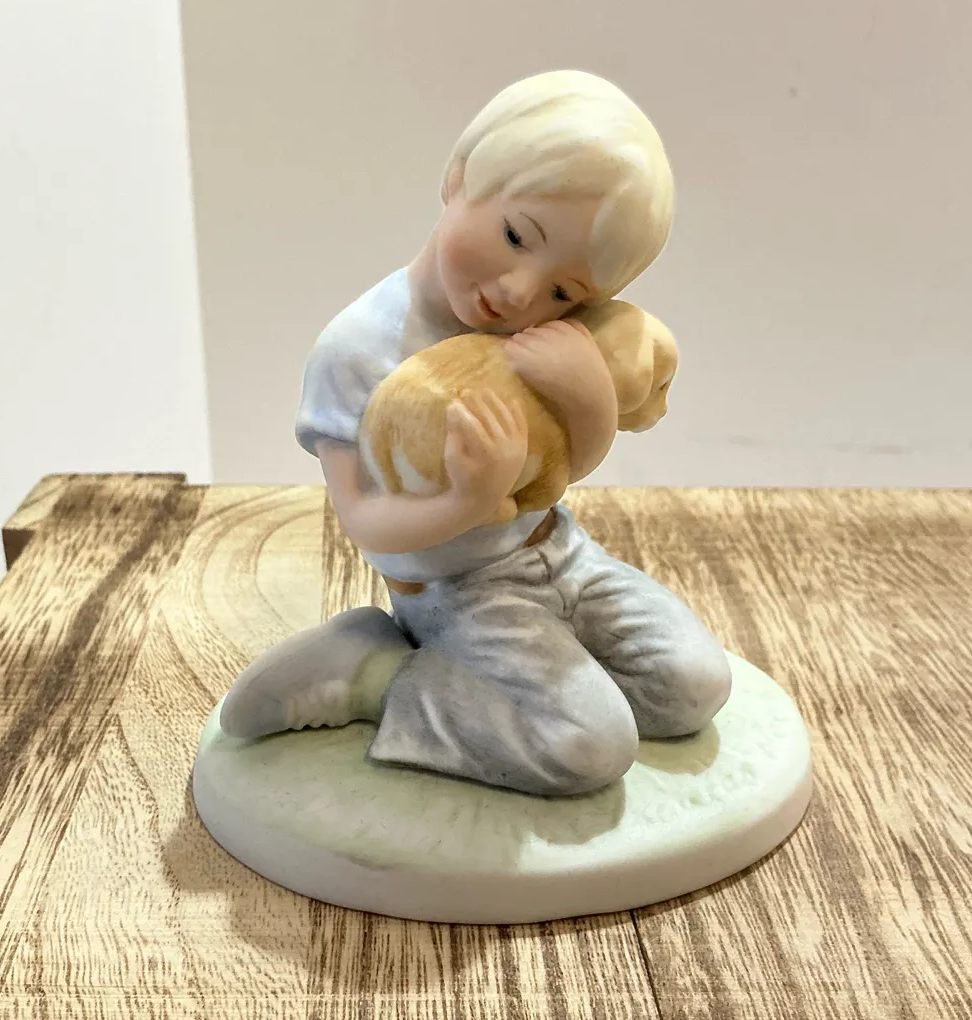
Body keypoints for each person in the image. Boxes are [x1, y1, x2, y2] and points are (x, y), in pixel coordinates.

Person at [219, 70, 731, 797]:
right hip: (455, 590)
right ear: (458, 177)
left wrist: (588, 399)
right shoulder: (357, 350)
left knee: (695, 686)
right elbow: (364, 521)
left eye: (564, 290)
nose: (520, 293)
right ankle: (375, 675)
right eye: (516, 235)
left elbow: (554, 477)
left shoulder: (545, 331)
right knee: (592, 744)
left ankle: (530, 677)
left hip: (560, 552)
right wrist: (466, 499)